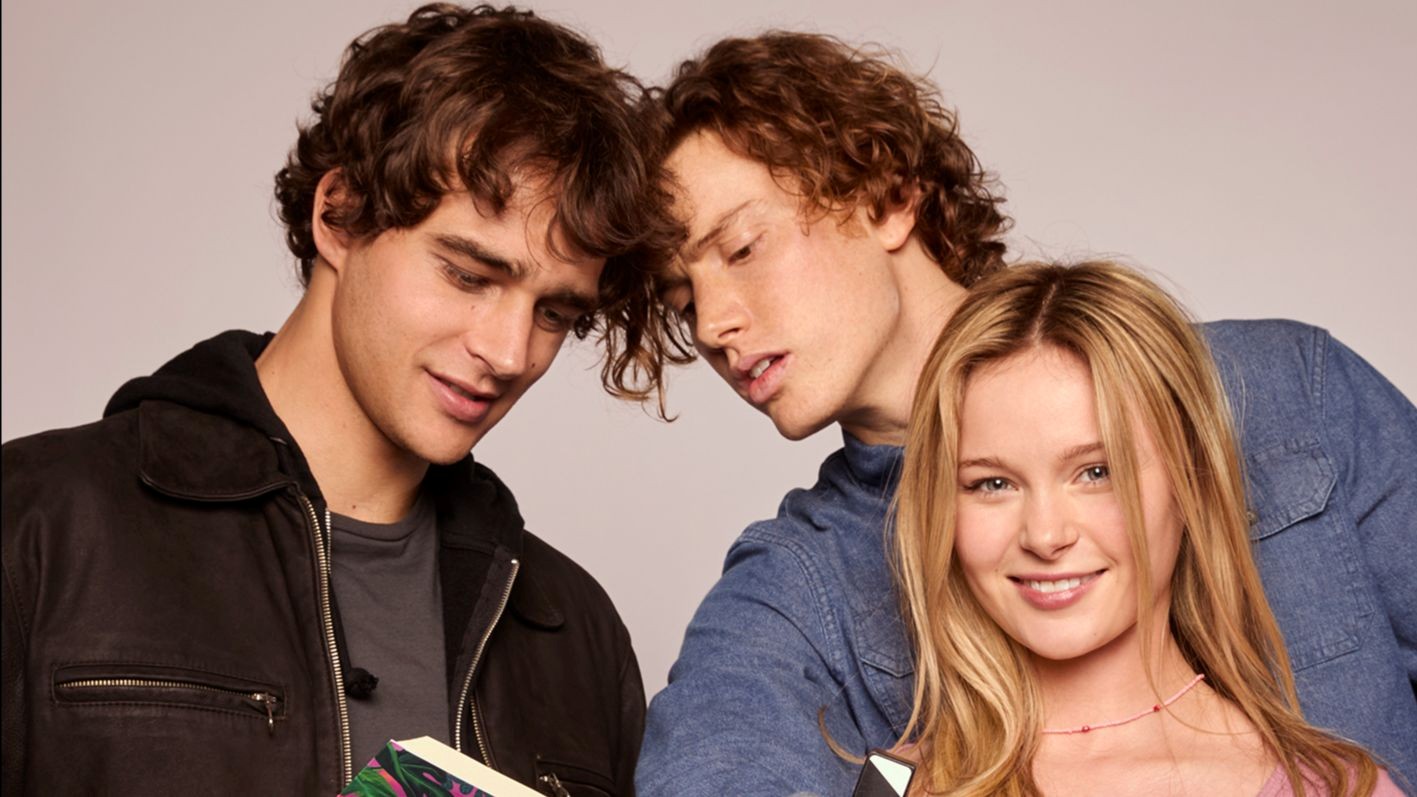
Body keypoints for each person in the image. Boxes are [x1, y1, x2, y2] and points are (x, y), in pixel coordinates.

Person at [635, 32, 1417, 796]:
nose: (712, 324)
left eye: (742, 249)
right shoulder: (796, 587)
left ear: (888, 197)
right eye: (681, 301)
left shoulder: (1286, 388)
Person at [1, 4, 676, 794]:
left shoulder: (574, 632)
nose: (507, 352)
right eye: (468, 274)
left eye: (554, 313)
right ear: (339, 216)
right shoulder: (39, 524)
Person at [892, 260, 1400, 795]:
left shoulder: (1337, 788)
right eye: (992, 484)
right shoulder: (898, 784)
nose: (1044, 536)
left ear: (1191, 480)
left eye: (1097, 472)